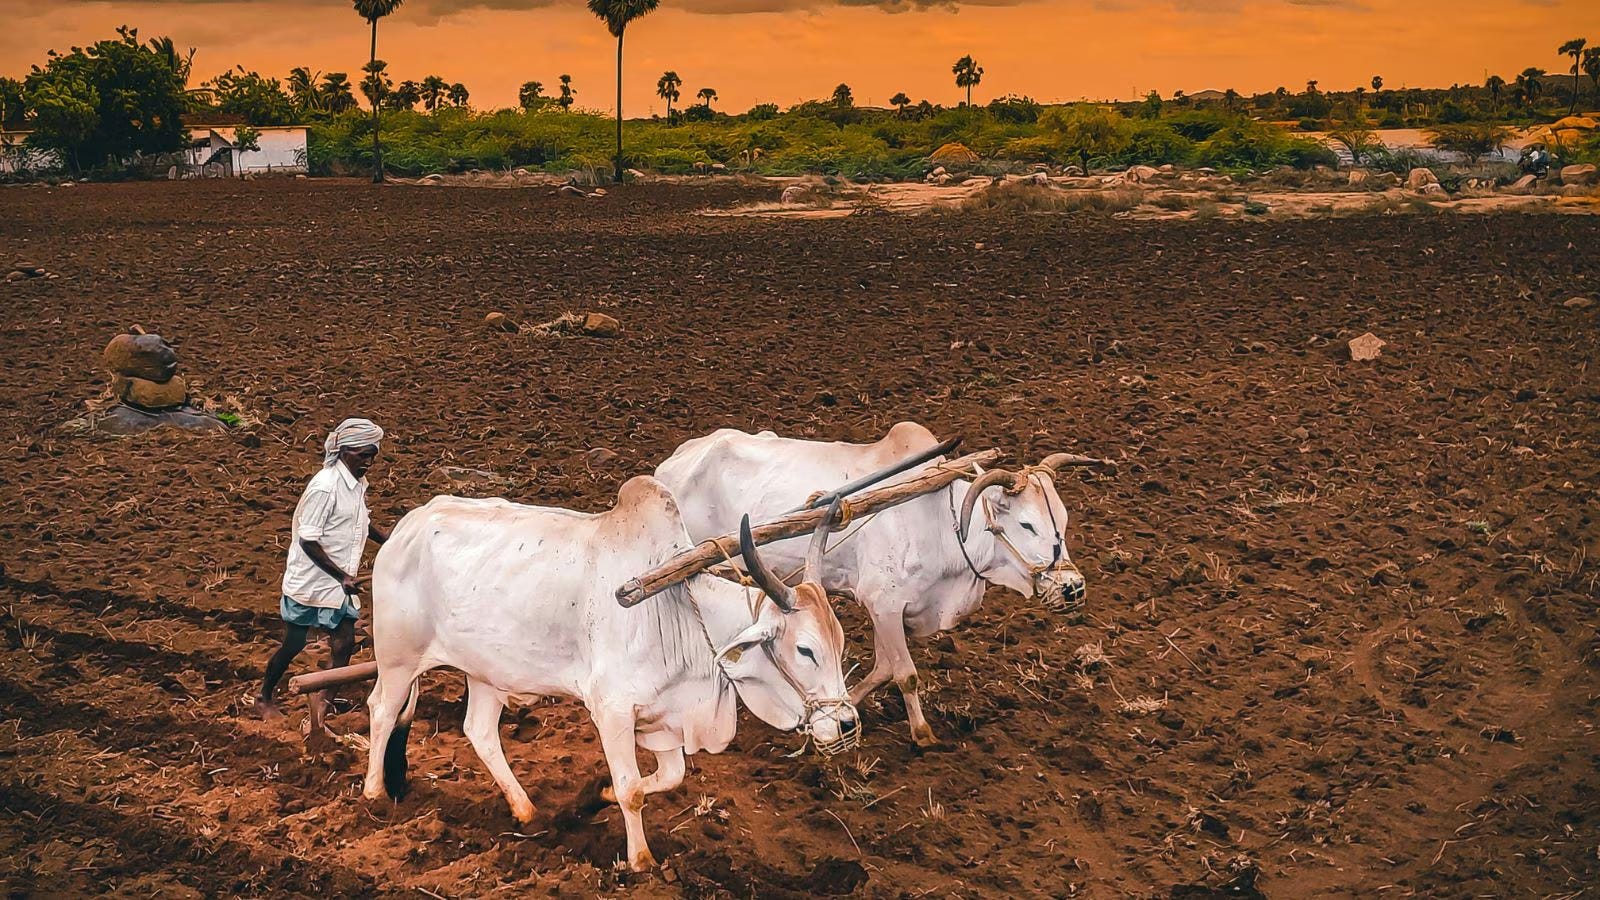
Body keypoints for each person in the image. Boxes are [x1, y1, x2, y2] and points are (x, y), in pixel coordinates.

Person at [253, 418, 389, 731]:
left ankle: (323, 705)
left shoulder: (356, 483)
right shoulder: (325, 487)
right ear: (343, 451)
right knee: (293, 644)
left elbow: (360, 522)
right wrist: (342, 576)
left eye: (373, 456)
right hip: (312, 581)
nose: (368, 462)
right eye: (363, 455)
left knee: (344, 643)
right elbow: (308, 539)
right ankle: (264, 696)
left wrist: (389, 540)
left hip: (338, 584)